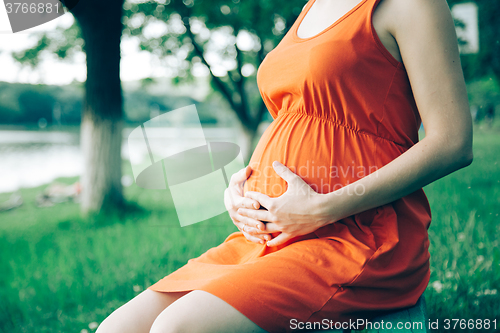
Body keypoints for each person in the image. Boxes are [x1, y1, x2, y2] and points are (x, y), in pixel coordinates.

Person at [97, 0, 473, 332]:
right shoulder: (313, 6)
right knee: (116, 328)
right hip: (269, 240)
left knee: (177, 328)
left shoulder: (410, 4)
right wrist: (241, 190)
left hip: (356, 234)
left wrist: (321, 209)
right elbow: (296, 121)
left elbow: (453, 142)